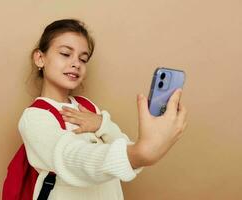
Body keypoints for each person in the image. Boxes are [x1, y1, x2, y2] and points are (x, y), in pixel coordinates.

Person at [18, 18, 188, 200]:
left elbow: (123, 149)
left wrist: (103, 125)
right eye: (66, 54)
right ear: (40, 58)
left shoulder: (87, 107)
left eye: (83, 59)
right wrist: (139, 154)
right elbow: (72, 157)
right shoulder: (35, 117)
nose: (76, 63)